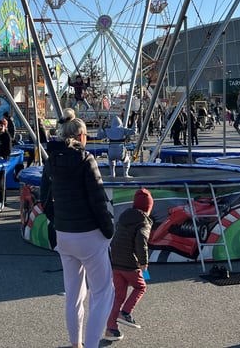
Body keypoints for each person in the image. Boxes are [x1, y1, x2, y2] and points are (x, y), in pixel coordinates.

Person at [41, 110, 114, 348]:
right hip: (89, 234)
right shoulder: (85, 160)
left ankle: (76, 343)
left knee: (73, 294)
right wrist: (108, 229)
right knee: (102, 292)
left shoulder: (52, 160)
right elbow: (98, 198)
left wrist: (57, 220)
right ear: (81, 135)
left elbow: (45, 197)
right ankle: (92, 343)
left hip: (65, 235)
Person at [105, 188, 153, 341]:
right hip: (130, 264)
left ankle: (111, 330)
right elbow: (141, 242)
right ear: (148, 208)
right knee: (141, 287)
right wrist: (144, 262)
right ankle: (125, 313)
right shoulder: (144, 221)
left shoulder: (124, 217)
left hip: (115, 262)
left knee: (118, 296)